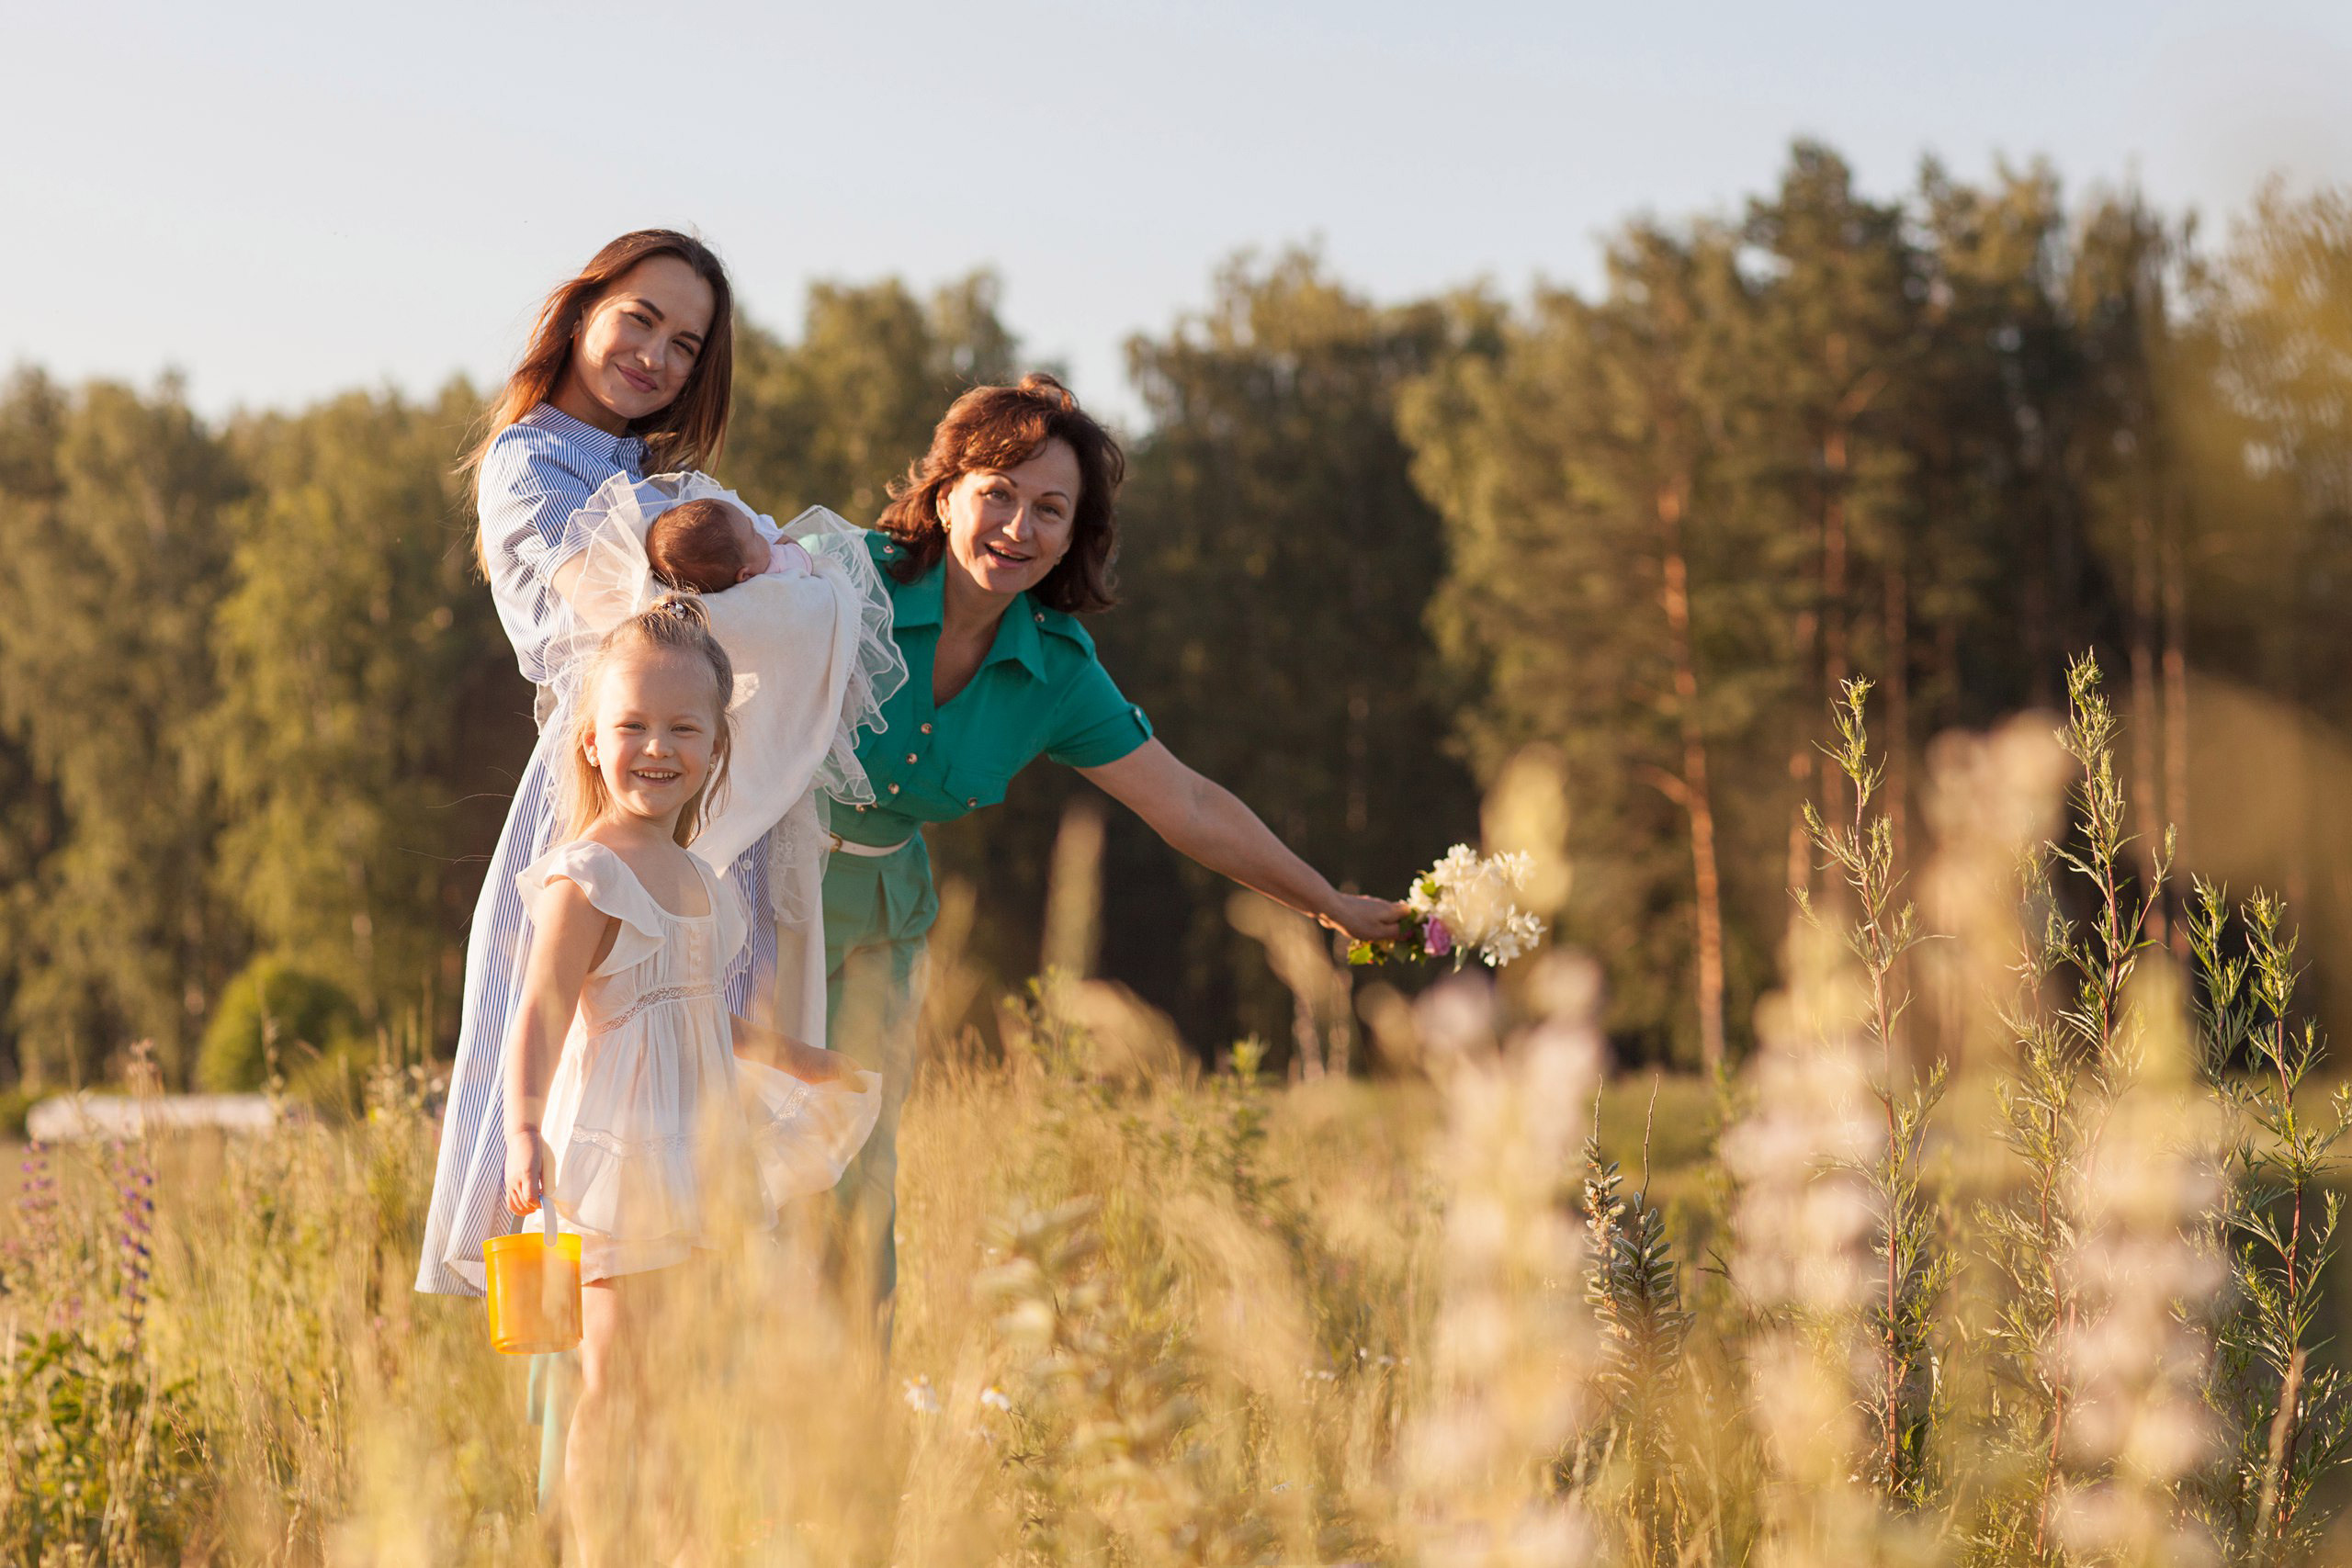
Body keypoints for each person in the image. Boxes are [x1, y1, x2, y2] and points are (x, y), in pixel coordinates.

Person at [823, 373, 1408, 1316]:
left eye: (1050, 509)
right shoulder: (841, 578)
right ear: (945, 495)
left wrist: (1328, 906)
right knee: (726, 1181)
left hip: (879, 931)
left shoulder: (1053, 668)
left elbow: (1187, 803)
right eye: (999, 494)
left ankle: (837, 1442)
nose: (1019, 526)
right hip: (753, 908)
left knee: (854, 1199)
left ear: (1074, 534)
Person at [502, 595, 877, 1560]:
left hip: (699, 1152)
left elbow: (705, 1012)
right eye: (631, 726)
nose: (655, 749)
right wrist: (522, 1129)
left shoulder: (701, 879)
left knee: (681, 1377)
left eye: (682, 729)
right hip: (625, 1158)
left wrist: (801, 1059)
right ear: (590, 739)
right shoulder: (585, 875)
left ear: (715, 749)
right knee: (613, 1379)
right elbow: (538, 1010)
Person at [645, 494, 812, 592]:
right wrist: (784, 541)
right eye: (753, 534)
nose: (756, 526)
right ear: (745, 575)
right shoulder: (781, 567)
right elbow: (803, 555)